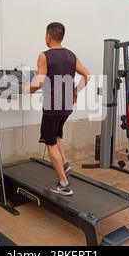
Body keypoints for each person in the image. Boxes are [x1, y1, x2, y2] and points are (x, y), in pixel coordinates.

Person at [25, 22, 90, 196]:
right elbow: (87, 75)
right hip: (67, 105)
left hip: (52, 105)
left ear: (48, 36)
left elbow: (38, 83)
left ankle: (63, 183)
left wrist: (25, 90)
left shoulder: (44, 56)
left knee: (50, 142)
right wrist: (76, 89)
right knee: (57, 134)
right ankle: (65, 163)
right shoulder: (71, 55)